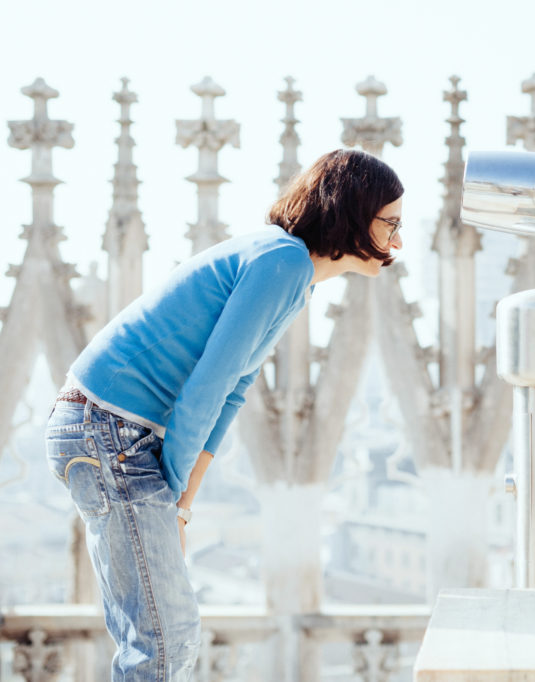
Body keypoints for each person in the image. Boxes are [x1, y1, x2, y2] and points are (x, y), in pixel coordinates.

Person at [43, 148, 404, 681]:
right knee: (163, 642)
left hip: (108, 430)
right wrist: (169, 494)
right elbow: (207, 387)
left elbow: (232, 392)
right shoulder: (282, 262)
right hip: (108, 429)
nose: (398, 242)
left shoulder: (290, 273)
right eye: (390, 224)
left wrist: (180, 506)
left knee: (165, 636)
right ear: (352, 212)